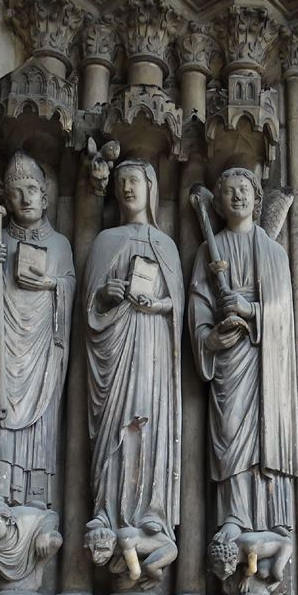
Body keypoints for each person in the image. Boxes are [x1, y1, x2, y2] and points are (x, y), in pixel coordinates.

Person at [188, 166, 298, 549]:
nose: (237, 196)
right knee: (230, 429)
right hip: (229, 360)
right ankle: (234, 516)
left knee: (265, 433)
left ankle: (270, 518)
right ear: (217, 203)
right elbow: (199, 305)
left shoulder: (274, 252)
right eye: (229, 191)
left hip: (265, 360)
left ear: (257, 198)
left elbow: (283, 313)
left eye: (244, 190)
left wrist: (250, 309)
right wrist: (211, 337)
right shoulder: (209, 249)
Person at [83, 160, 184, 554]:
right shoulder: (106, 240)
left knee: (150, 423)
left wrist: (158, 305)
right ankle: (105, 510)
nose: (127, 188)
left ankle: (151, 512)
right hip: (116, 346)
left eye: (135, 180)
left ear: (150, 187)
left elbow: (177, 307)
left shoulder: (167, 246)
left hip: (154, 348)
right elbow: (88, 311)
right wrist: (107, 294)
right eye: (121, 181)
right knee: (115, 426)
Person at [0, 150, 75, 509]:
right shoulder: (2, 243)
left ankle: (32, 496)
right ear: (7, 199)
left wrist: (52, 284)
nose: (25, 198)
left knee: (41, 418)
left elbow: (69, 290)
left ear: (45, 197)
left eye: (32, 189)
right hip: (5, 348)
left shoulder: (60, 245)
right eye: (16, 191)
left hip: (41, 354)